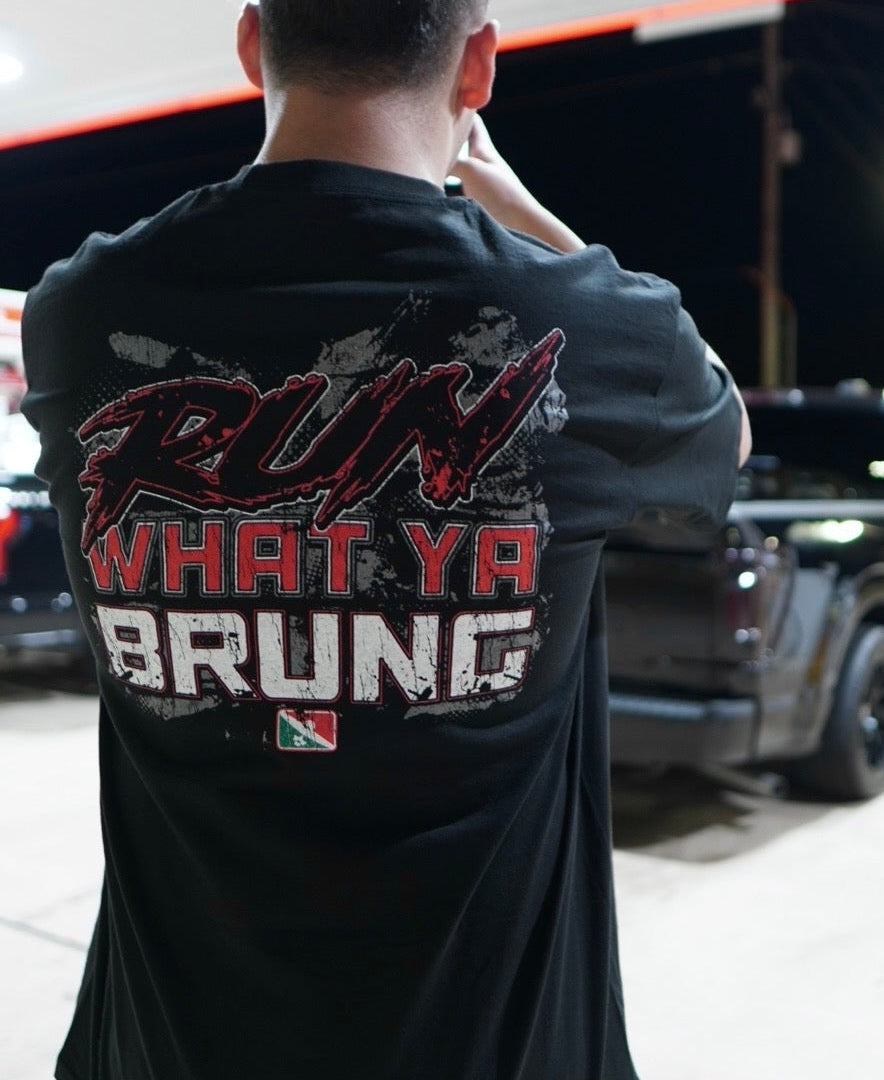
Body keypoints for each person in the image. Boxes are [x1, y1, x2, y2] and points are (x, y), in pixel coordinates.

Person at [21, 1, 750, 1077]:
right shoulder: (591, 328)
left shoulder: (82, 311)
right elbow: (725, 438)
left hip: (170, 1042)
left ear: (252, 42)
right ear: (480, 66)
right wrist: (529, 215)